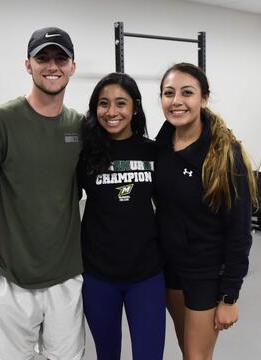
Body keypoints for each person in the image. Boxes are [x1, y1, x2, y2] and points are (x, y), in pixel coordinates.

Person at [0, 27, 85, 360]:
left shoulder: (79, 126)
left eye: (61, 58)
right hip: (10, 279)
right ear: (28, 65)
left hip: (66, 279)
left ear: (72, 66)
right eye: (42, 57)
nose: (52, 65)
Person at [154, 62, 258, 359]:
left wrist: (229, 296)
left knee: (196, 356)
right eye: (168, 93)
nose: (177, 101)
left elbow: (240, 230)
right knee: (187, 349)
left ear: (204, 98)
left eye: (187, 92)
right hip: (170, 269)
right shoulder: (160, 147)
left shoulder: (225, 153)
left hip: (205, 273)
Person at [77, 72, 166, 360]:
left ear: (135, 107)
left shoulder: (153, 151)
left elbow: (172, 205)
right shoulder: (85, 153)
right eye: (103, 104)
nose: (112, 112)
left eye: (120, 103)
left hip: (147, 275)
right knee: (107, 355)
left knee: (149, 355)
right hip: (98, 276)